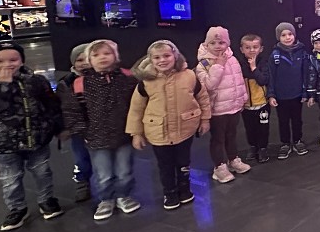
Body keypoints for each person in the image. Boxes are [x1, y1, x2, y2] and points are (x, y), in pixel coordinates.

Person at [0, 42, 64, 231]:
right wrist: (2, 86)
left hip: (36, 138)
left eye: (13, 59)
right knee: (10, 178)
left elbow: (51, 105)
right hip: (1, 143)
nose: (7, 64)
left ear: (22, 61)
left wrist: (58, 127)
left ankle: (46, 200)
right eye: (0, 61)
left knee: (42, 171)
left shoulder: (35, 80)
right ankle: (17, 208)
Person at [59, 39, 140, 220]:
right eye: (96, 55)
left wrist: (137, 130)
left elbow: (137, 106)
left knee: (124, 170)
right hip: (96, 138)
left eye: (107, 53)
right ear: (89, 59)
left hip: (124, 135)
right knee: (103, 173)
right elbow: (73, 111)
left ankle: (124, 196)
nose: (102, 57)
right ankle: (106, 199)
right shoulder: (80, 84)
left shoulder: (128, 78)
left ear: (115, 56)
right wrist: (84, 133)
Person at [126, 40, 211, 210]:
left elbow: (202, 97)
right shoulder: (146, 82)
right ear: (150, 59)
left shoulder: (189, 76)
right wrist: (136, 133)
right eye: (157, 57)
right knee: (165, 165)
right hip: (159, 132)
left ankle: (184, 189)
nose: (162, 60)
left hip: (185, 129)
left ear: (175, 56)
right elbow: (136, 109)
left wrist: (205, 119)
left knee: (184, 161)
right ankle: (170, 192)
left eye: (166, 56)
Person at [196, 26, 250, 182]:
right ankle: (219, 166)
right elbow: (208, 86)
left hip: (233, 107)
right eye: (213, 43)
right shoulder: (203, 64)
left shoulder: (232, 59)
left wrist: (243, 98)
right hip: (217, 110)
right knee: (218, 139)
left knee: (231, 135)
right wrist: (218, 65)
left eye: (221, 42)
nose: (218, 46)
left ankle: (233, 160)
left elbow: (238, 80)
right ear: (206, 44)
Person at [267, 22, 310, 159]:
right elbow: (271, 76)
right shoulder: (275, 55)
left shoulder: (302, 52)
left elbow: (305, 74)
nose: (287, 37)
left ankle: (297, 140)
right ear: (278, 37)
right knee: (283, 121)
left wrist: (305, 92)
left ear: (294, 35)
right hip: (281, 96)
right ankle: (285, 143)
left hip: (297, 94)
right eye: (283, 35)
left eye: (290, 34)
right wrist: (271, 94)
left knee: (297, 120)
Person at [57, 43, 93, 202]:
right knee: (81, 158)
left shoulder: (103, 78)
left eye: (88, 59)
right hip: (78, 129)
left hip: (101, 127)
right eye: (79, 60)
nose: (84, 63)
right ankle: (82, 183)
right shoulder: (66, 83)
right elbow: (61, 107)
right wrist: (64, 128)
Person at [239, 33, 271, 163]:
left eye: (255, 47)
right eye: (247, 47)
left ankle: (263, 148)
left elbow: (263, 80)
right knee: (250, 128)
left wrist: (253, 68)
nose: (251, 50)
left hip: (262, 104)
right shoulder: (239, 64)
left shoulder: (264, 63)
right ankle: (253, 146)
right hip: (247, 105)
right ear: (242, 49)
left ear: (261, 49)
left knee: (263, 128)